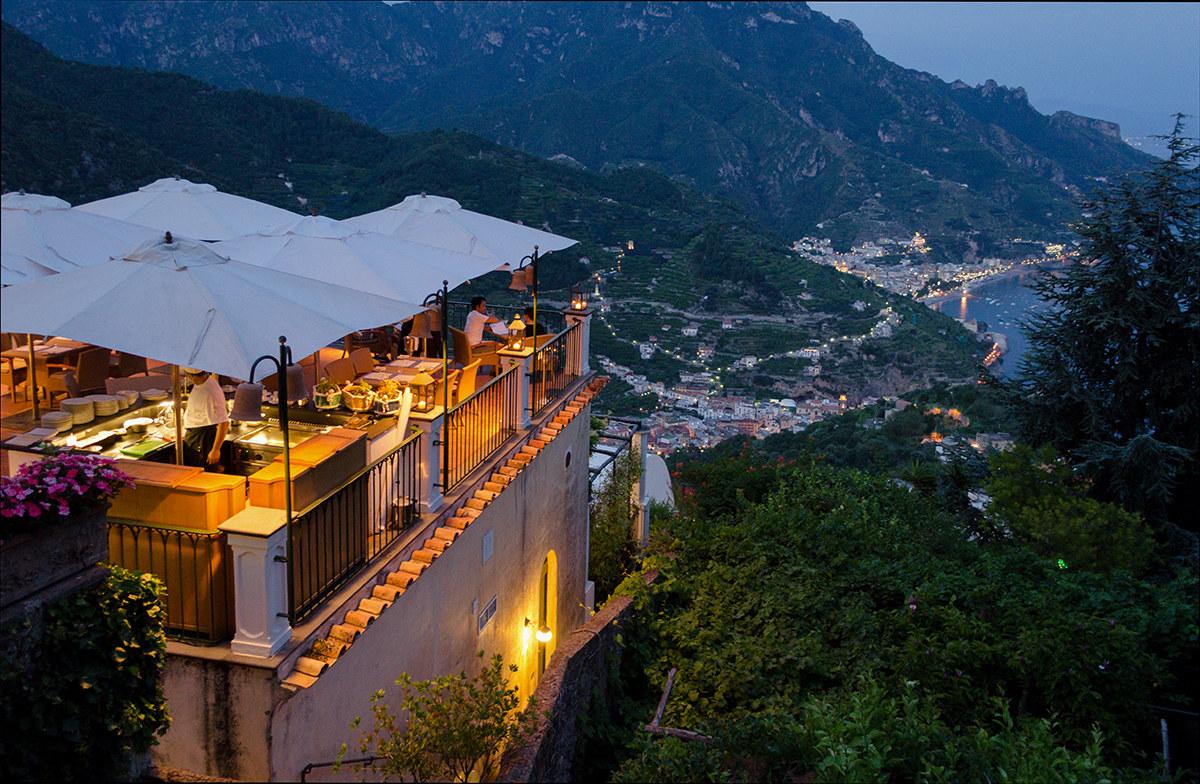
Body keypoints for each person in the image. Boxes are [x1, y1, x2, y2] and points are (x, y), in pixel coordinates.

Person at [181, 367, 229, 471]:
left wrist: (215, 450)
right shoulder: (207, 380)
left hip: (202, 438)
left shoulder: (210, 393)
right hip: (194, 435)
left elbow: (224, 422)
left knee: (200, 473)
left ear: (190, 375)